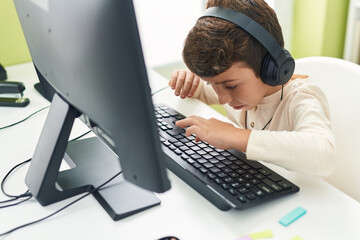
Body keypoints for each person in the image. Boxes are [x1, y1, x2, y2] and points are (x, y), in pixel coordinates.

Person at [169, 0, 336, 177]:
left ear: (269, 67)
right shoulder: (234, 91)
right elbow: (200, 92)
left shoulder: (301, 98)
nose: (222, 99)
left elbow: (324, 153)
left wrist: (234, 135)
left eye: (231, 85)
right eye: (212, 84)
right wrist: (188, 82)